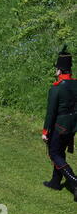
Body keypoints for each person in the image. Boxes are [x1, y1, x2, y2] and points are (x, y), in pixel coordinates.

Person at [42, 45, 77, 202]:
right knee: (60, 152)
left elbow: (51, 113)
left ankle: (74, 181)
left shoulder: (55, 89)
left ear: (60, 71)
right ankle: (55, 182)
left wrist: (45, 131)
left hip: (59, 126)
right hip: (73, 125)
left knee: (54, 154)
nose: (55, 71)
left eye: (57, 68)